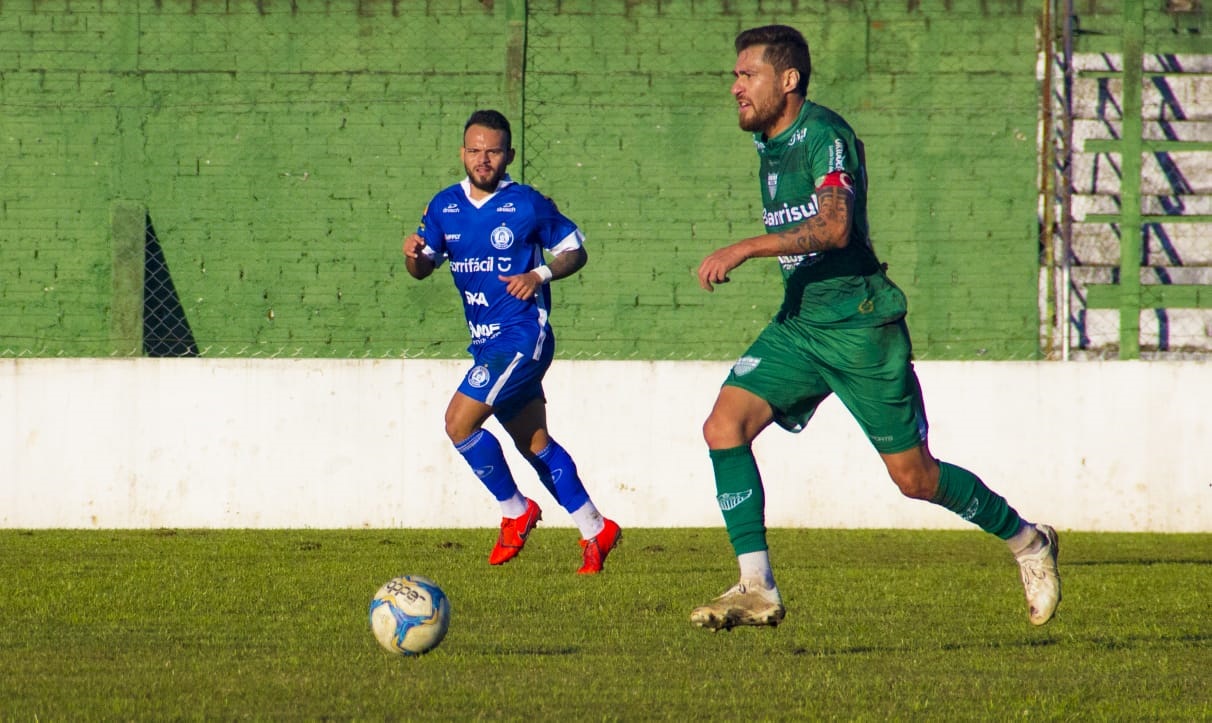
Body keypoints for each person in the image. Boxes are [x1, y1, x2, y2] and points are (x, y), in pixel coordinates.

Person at [691, 25, 1060, 630]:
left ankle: (1029, 542)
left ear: (789, 80)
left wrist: (745, 247)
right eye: (735, 75)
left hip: (861, 326)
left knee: (915, 478)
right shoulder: (768, 140)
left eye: (748, 75)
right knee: (723, 426)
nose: (736, 87)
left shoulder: (824, 135)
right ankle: (756, 586)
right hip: (801, 325)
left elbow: (836, 228)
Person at [402, 109, 621, 575]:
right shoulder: (443, 206)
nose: (483, 159)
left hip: (523, 335)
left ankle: (515, 511)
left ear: (509, 156)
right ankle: (595, 528)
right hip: (486, 343)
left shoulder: (526, 203)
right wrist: (414, 256)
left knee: (458, 423)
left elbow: (574, 250)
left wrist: (538, 274)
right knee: (534, 443)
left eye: (493, 151)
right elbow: (423, 268)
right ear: (463, 153)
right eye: (475, 150)